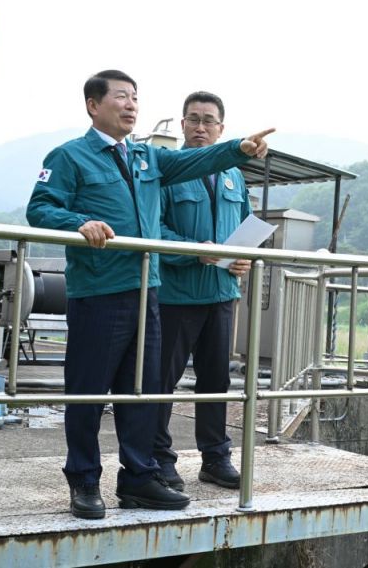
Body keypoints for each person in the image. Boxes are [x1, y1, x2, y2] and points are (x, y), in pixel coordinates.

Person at [26, 70, 273, 520]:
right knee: (88, 392)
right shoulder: (70, 156)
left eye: (135, 98)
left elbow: (198, 161)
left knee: (141, 391)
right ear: (93, 105)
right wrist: (78, 222)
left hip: (147, 292)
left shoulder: (147, 158)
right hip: (100, 290)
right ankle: (84, 480)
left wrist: (238, 148)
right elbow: (40, 207)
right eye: (121, 96)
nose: (131, 105)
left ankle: (139, 478)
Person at [152, 91, 252, 491]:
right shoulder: (167, 171)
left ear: (221, 129)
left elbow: (244, 226)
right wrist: (194, 251)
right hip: (176, 295)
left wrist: (243, 259)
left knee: (216, 381)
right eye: (193, 119)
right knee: (162, 381)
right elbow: (153, 230)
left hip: (222, 294)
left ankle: (215, 458)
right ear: (182, 125)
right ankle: (158, 460)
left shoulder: (234, 174)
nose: (200, 127)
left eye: (208, 120)